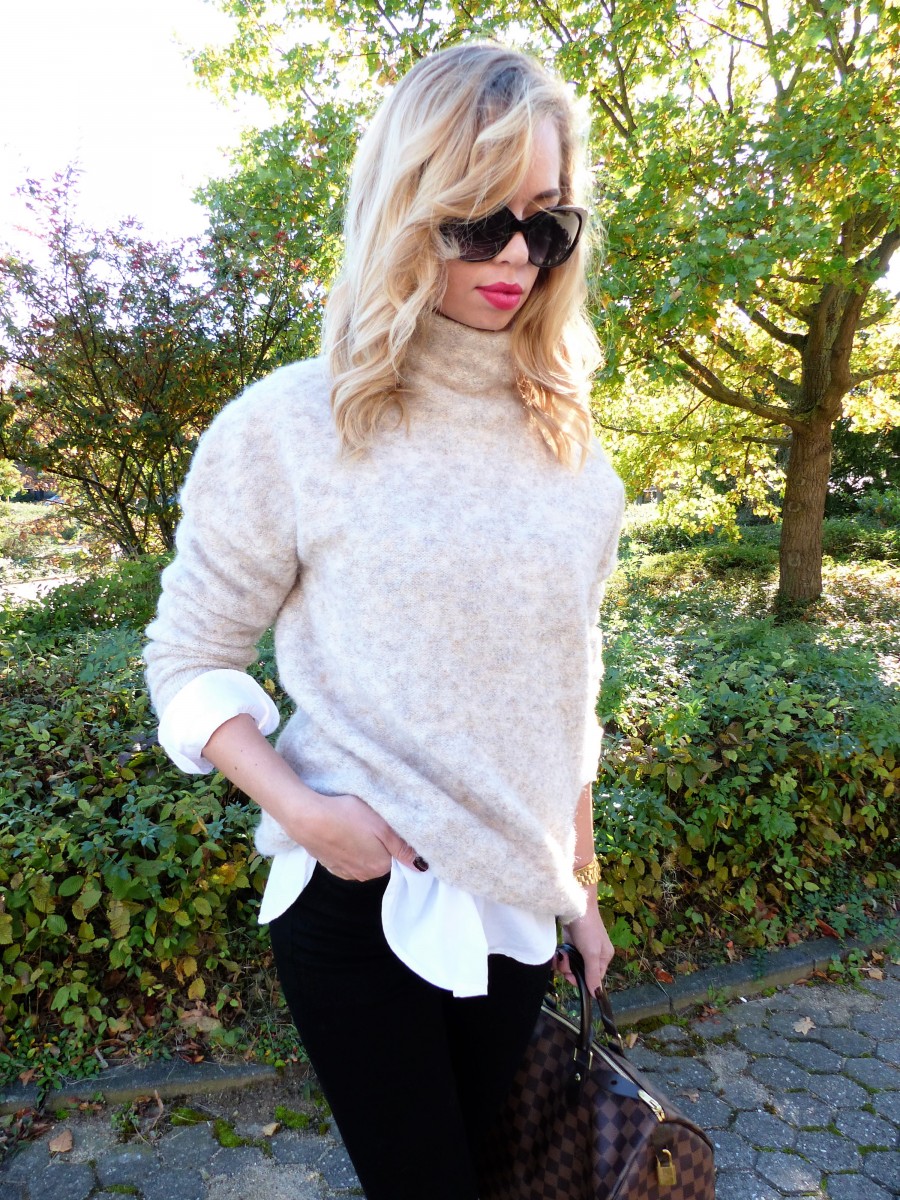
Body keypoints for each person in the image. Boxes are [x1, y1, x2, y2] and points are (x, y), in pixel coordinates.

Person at [144, 41, 624, 1200]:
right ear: (406, 211)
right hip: (366, 900)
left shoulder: (571, 445)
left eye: (548, 223)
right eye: (480, 221)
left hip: (519, 909)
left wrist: (583, 885)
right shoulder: (296, 425)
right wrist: (306, 812)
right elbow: (187, 657)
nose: (517, 256)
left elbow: (570, 684)